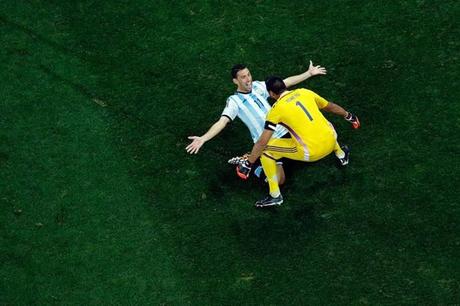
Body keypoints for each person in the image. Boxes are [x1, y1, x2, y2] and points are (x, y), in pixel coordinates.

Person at [186, 61, 327, 183]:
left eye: (248, 75)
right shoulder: (234, 101)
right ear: (235, 81)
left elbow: (285, 82)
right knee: (280, 180)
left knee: (317, 146)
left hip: (286, 132)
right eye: (243, 77)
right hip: (267, 141)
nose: (248, 79)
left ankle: (250, 157)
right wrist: (203, 138)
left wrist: (309, 73)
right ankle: (255, 165)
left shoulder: (258, 86)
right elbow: (222, 122)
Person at [237, 76, 360, 207]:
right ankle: (342, 155)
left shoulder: (276, 110)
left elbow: (262, 141)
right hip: (332, 138)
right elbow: (330, 107)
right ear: (284, 86)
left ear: (271, 93)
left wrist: (249, 163)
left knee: (265, 150)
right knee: (319, 124)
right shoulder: (305, 92)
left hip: (312, 152)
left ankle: (275, 195)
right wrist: (349, 116)